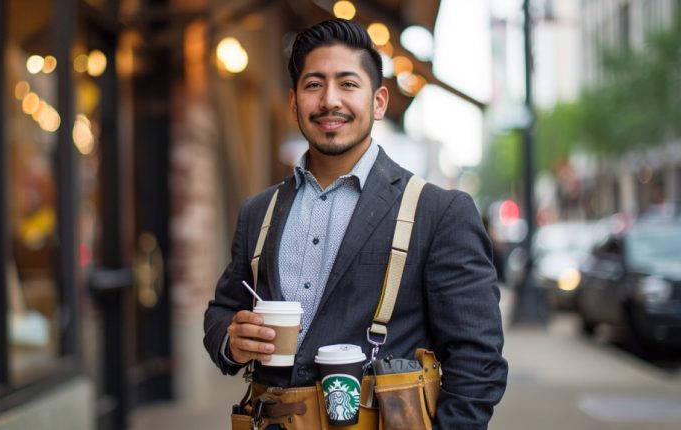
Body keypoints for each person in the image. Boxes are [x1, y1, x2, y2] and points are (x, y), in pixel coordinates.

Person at [204, 18, 507, 428]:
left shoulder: (439, 212)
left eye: (348, 84)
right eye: (314, 85)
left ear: (379, 102)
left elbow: (478, 361)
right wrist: (230, 339)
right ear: (294, 104)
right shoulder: (259, 211)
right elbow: (223, 309)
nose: (330, 100)